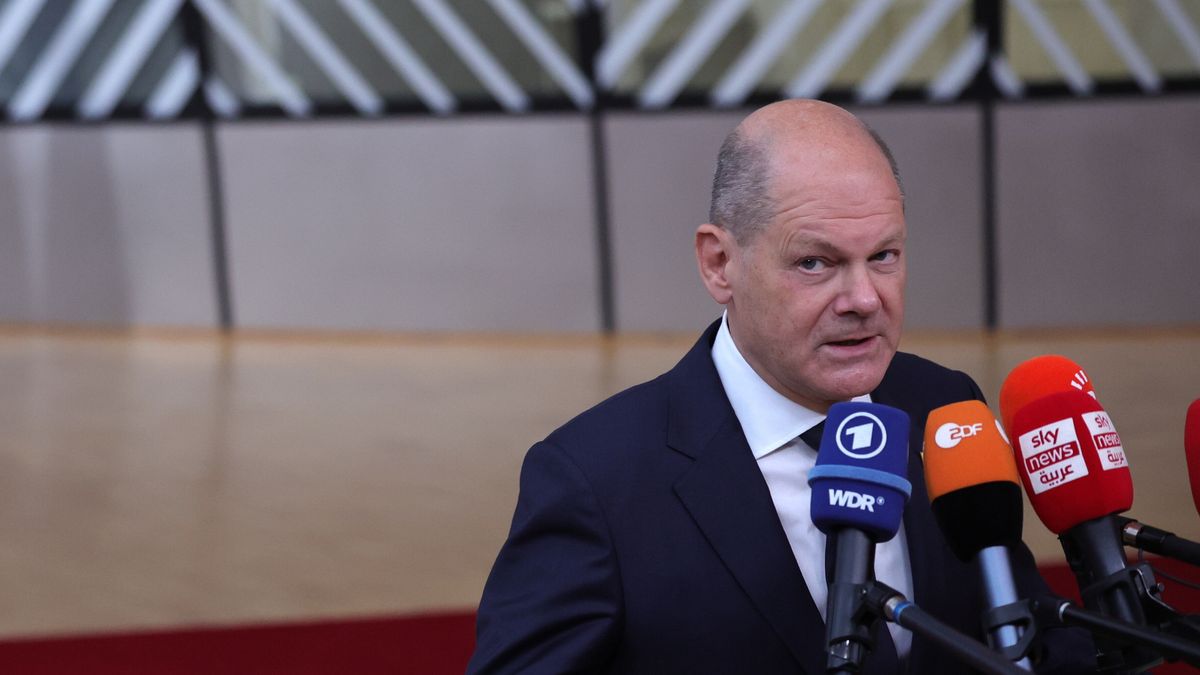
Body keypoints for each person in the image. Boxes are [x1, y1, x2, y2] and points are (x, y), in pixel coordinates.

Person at [467, 100, 1094, 674]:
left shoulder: (944, 407)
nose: (864, 299)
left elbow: (1024, 634)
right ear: (719, 263)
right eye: (815, 263)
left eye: (884, 256)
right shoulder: (595, 480)